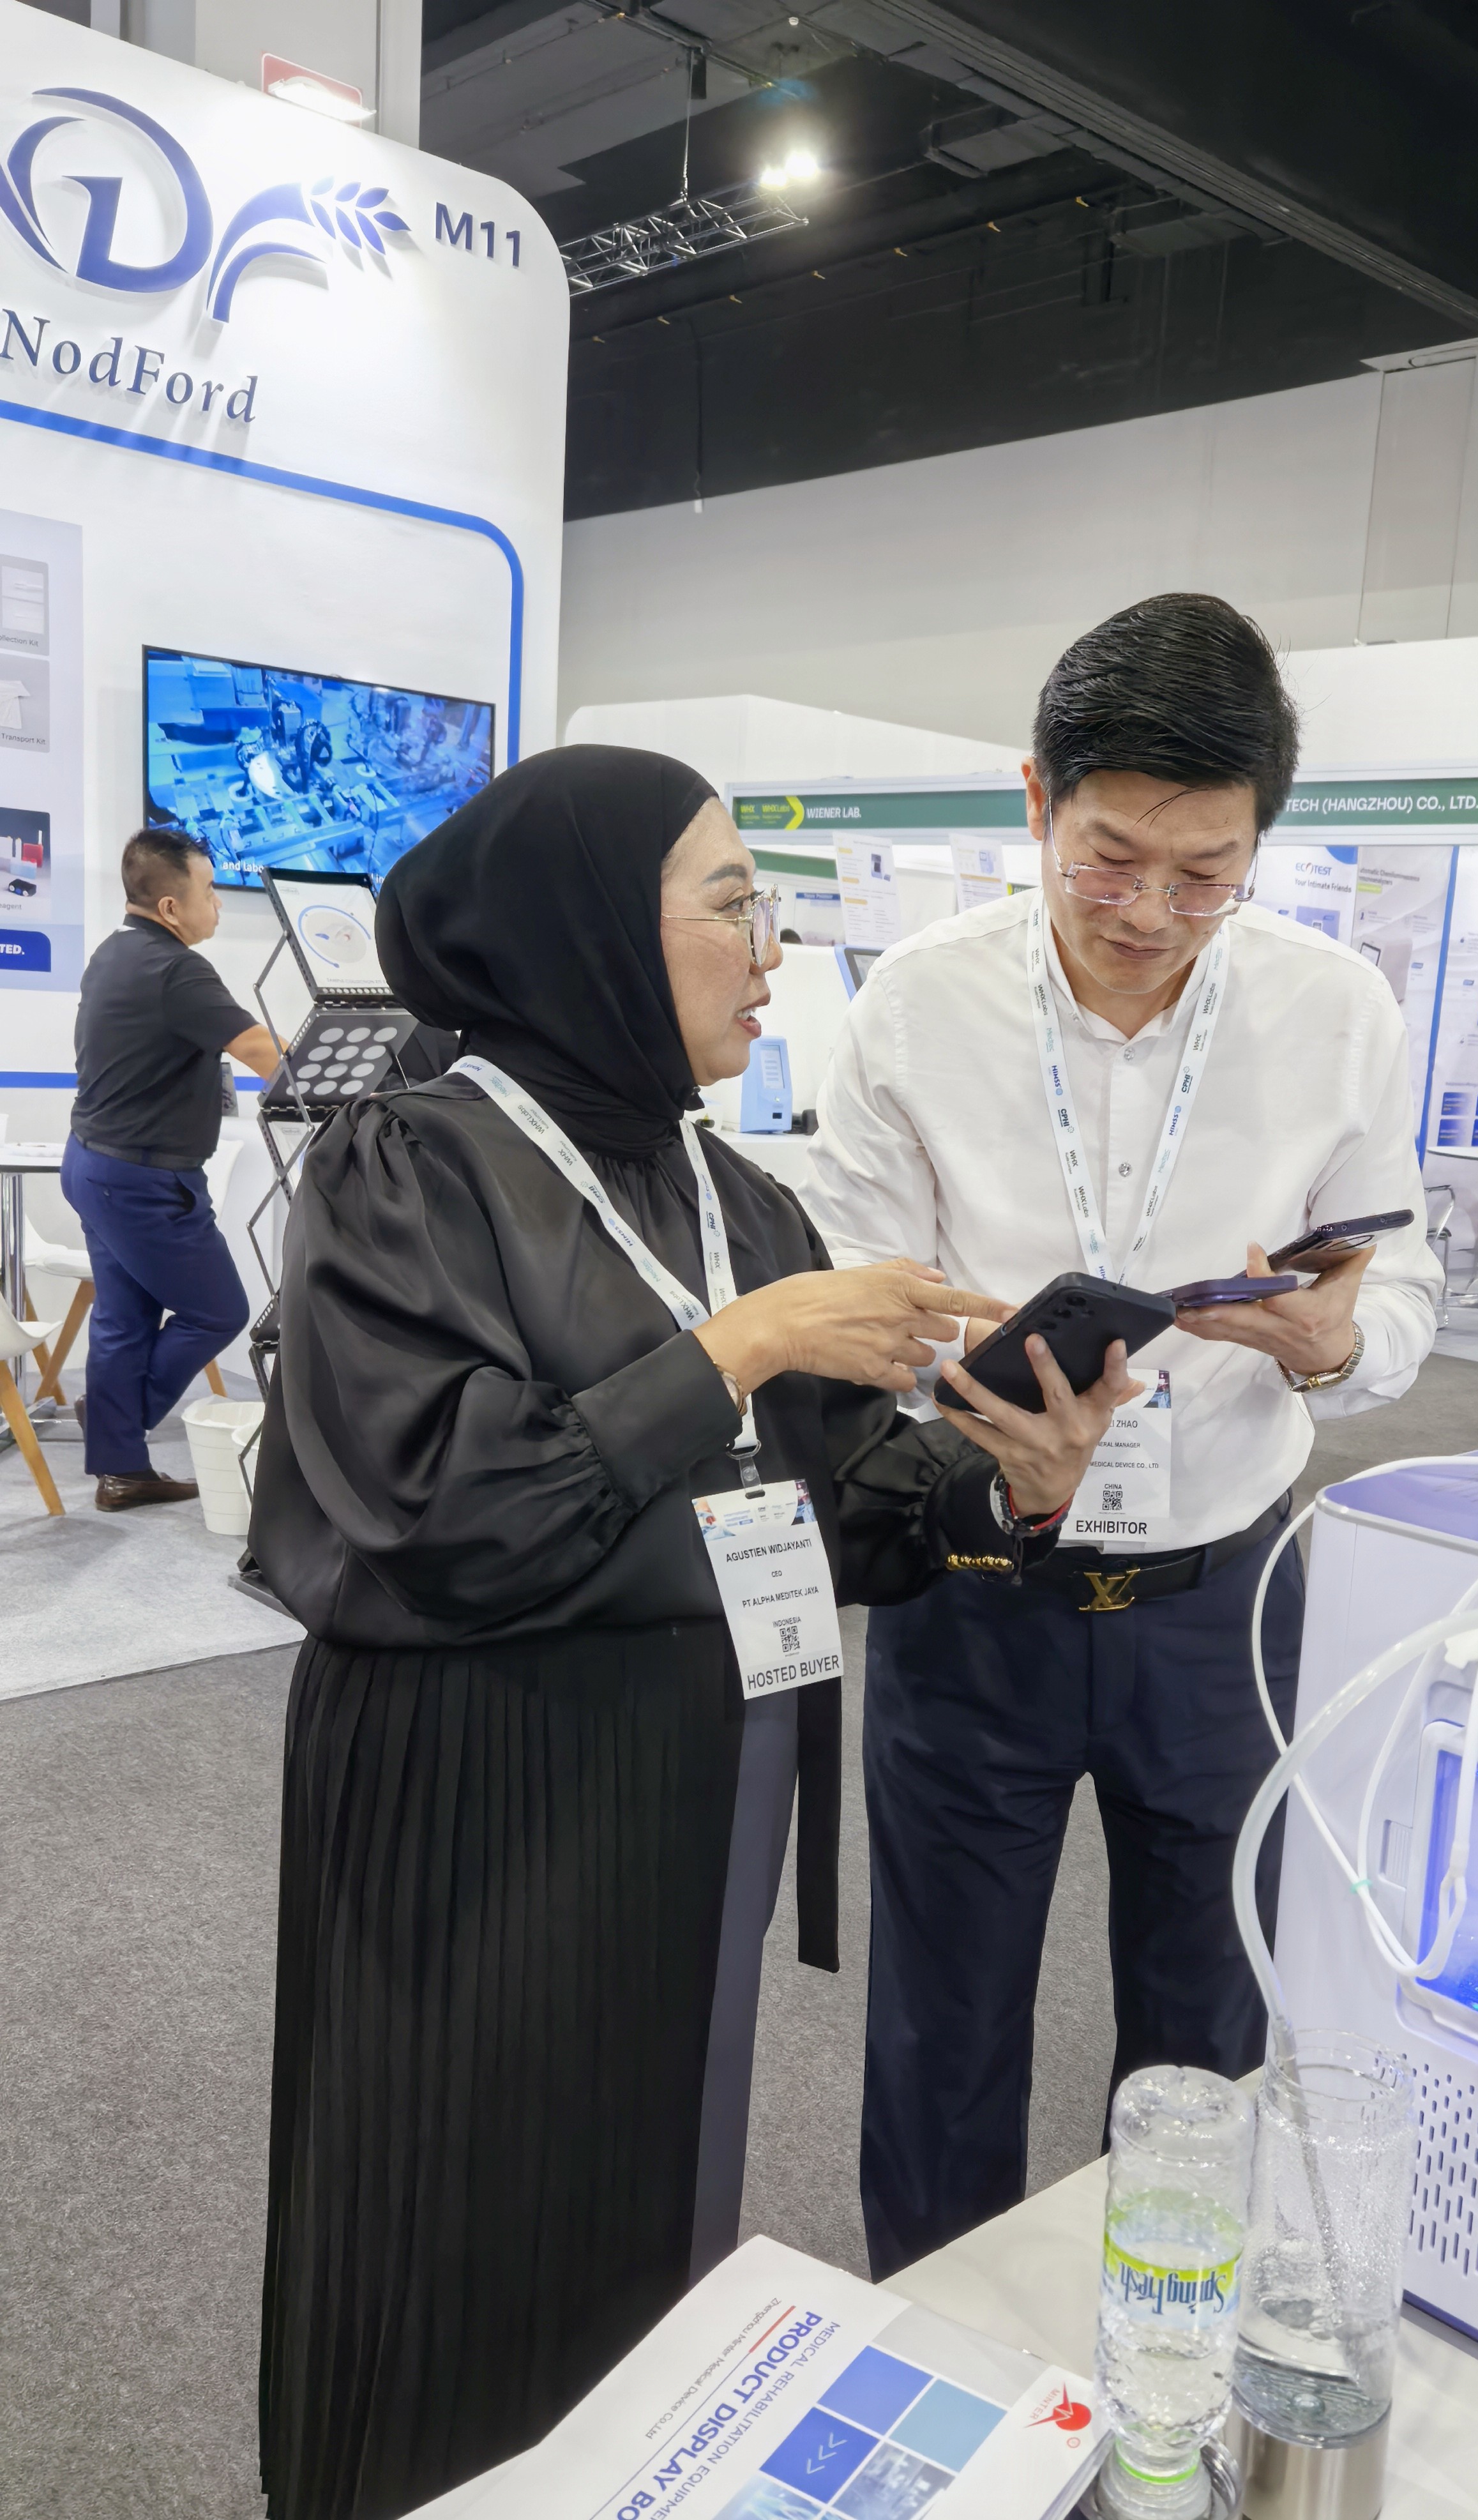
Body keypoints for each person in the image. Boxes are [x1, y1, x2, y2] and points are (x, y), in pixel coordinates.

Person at [250, 747, 1131, 2520]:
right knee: (455, 2206)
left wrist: (1015, 1481)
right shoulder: (411, 1164)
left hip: (688, 1787)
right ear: (588, 929)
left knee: (650, 2201)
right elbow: (447, 1508)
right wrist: (737, 1348)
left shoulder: (737, 1199)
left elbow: (853, 1492)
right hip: (478, 1788)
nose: (770, 948)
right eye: (731, 902)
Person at [803, 593, 1443, 2277]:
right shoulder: (914, 1011)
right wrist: (979, 1423)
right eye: (1110, 860)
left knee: (1206, 2026)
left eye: (1207, 873)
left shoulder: (1337, 1012)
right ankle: (940, 2336)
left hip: (1224, 1601)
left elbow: (1403, 1285)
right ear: (1037, 800)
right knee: (944, 2024)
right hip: (976, 1591)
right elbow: (852, 1316)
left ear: (1259, 845)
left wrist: (1336, 1340)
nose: (1153, 912)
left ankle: (1166, 2338)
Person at [61, 828, 281, 1510]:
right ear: (169, 906)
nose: (218, 902)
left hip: (95, 1164)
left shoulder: (114, 952)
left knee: (124, 1320)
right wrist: (353, 1082)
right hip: (142, 1182)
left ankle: (122, 1468)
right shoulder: (178, 970)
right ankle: (114, 1430)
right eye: (209, 890)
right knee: (219, 1310)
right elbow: (260, 1050)